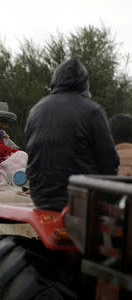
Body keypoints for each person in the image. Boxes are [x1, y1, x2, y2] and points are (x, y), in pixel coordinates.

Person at [25, 57, 119, 211]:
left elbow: (32, 154)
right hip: (81, 201)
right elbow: (110, 162)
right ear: (84, 84)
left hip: (40, 198)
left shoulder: (35, 111)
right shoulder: (93, 111)